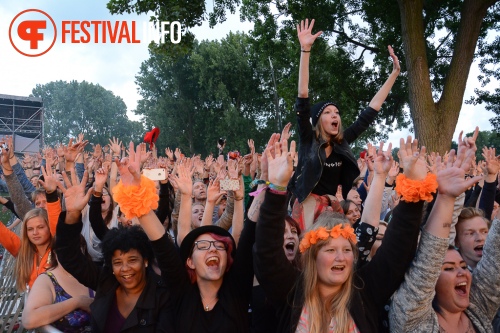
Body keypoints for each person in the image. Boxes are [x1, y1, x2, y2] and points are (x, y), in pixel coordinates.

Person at [255, 135, 434, 332]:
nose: (341, 257)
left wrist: (414, 189)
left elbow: (396, 250)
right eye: (330, 249)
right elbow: (267, 253)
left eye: (347, 249)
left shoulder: (364, 292)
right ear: (312, 256)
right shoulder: (291, 292)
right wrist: (277, 187)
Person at [112, 142, 255, 332]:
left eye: (219, 246)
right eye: (203, 246)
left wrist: (248, 194)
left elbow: (244, 237)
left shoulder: (238, 291)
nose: (213, 248)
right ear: (189, 262)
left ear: (228, 260)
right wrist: (135, 192)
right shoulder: (181, 293)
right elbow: (161, 242)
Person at [289, 19, 400, 230]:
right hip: (307, 208)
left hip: (333, 209)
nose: (335, 116)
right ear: (316, 121)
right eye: (328, 112)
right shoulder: (307, 138)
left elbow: (370, 112)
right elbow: (303, 97)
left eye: (337, 112)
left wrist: (394, 74)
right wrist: (305, 50)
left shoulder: (343, 142)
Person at [389, 132, 500, 333]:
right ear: (431, 280)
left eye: (464, 266)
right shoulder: (413, 321)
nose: (462, 273)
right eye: (448, 269)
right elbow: (430, 258)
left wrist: (490, 179)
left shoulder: (479, 310)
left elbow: (494, 259)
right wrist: (446, 198)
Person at [55, 170, 172, 332]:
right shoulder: (105, 282)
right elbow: (68, 256)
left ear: (145, 260)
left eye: (132, 260)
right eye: (117, 262)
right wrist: (73, 214)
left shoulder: (163, 297)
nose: (125, 269)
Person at [22, 250, 94, 332]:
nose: (69, 254)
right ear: (55, 253)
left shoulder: (92, 276)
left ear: (83, 250)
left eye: (73, 248)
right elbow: (29, 320)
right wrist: (78, 302)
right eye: (63, 248)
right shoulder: (47, 279)